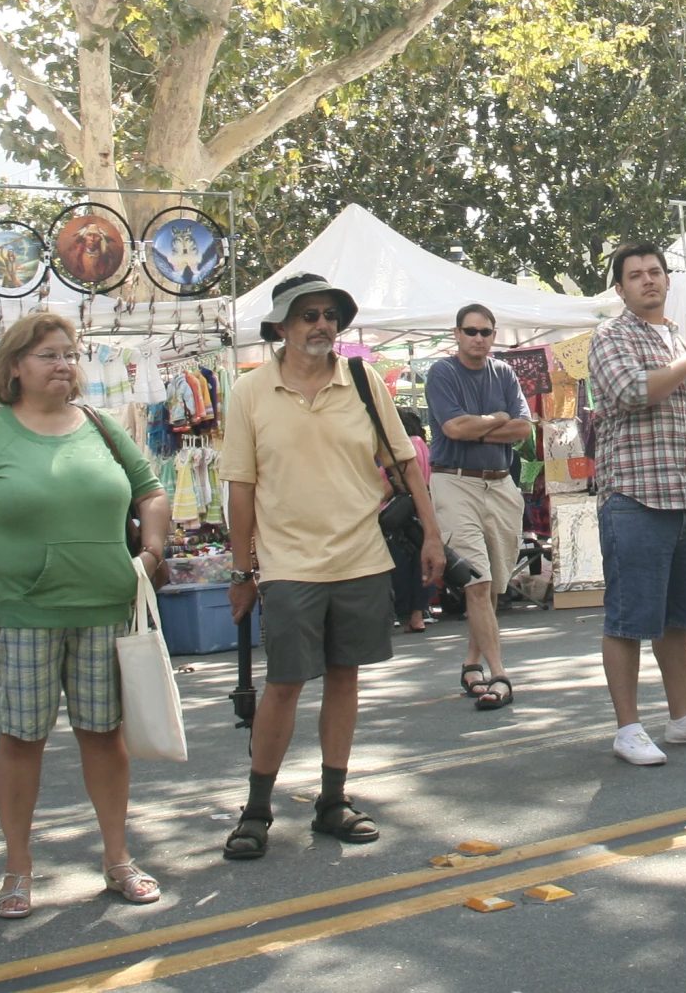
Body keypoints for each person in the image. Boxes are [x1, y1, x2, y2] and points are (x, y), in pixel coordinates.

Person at [0, 311, 171, 919]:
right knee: (21, 739)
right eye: (48, 354)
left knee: (104, 736)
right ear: (14, 366)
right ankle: (18, 869)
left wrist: (150, 551)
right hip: (22, 614)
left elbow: (151, 489)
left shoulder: (98, 425)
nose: (64, 363)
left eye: (69, 353)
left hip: (106, 607)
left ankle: (118, 858)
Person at [220, 273, 443, 860]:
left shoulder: (364, 381)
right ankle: (257, 808)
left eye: (329, 315)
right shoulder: (249, 392)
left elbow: (404, 462)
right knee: (285, 683)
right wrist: (242, 573)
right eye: (308, 315)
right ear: (281, 327)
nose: (321, 325)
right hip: (288, 563)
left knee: (346, 677)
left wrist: (433, 536)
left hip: (361, 556)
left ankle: (333, 800)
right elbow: (240, 489)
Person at [589, 241, 686, 766]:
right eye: (635, 274)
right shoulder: (610, 336)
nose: (648, 280)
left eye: (655, 272)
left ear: (668, 280)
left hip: (685, 493)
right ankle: (627, 728)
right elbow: (632, 392)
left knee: (676, 617)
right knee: (628, 618)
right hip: (634, 494)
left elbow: (683, 407)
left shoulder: (676, 336)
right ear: (620, 288)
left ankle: (683, 716)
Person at [425, 302, 533, 710]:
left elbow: (522, 429)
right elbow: (453, 428)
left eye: (485, 332)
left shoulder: (504, 372)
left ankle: (471, 663)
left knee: (493, 584)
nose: (478, 339)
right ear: (456, 334)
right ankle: (499, 674)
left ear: (493, 335)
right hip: (455, 481)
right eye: (470, 331)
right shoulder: (442, 372)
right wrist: (496, 420)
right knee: (478, 582)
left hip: (500, 484)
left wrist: (479, 428)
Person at [392, 406, 437, 633]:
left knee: (402, 564)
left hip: (403, 511)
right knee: (422, 563)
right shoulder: (424, 446)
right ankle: (420, 612)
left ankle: (407, 613)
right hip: (424, 509)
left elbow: (399, 478)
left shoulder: (404, 447)